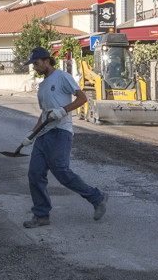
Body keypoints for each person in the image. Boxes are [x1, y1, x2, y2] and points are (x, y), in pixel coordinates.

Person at [20, 47, 108, 228]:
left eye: (36, 63)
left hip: (61, 131)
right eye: (33, 64)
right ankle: (41, 215)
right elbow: (45, 113)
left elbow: (82, 98)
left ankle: (97, 198)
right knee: (35, 174)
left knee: (61, 171)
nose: (35, 67)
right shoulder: (43, 86)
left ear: (46, 60)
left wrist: (63, 110)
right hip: (43, 135)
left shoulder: (62, 77)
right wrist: (32, 133)